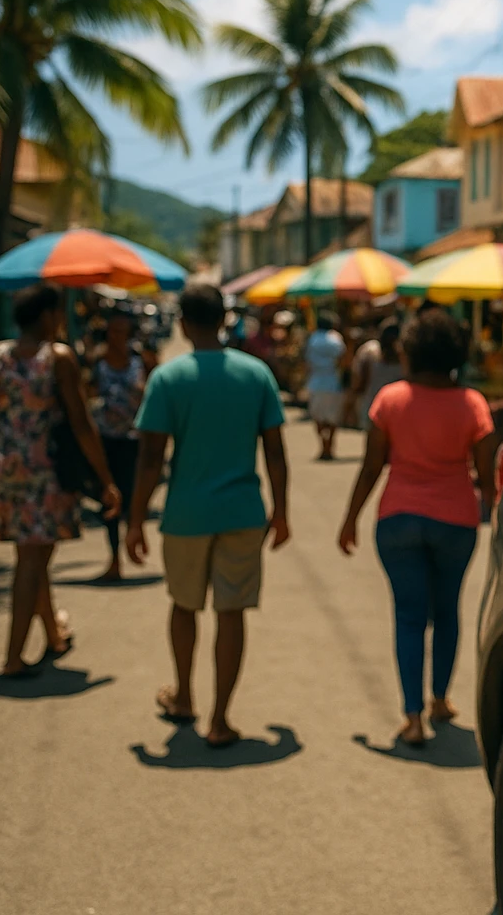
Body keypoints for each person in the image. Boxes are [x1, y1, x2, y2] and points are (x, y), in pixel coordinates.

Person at [126, 284, 290, 747]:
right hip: (243, 512)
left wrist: (135, 521)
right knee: (231, 611)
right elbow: (275, 452)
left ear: (182, 324)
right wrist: (282, 512)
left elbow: (150, 458)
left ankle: (183, 697)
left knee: (184, 605)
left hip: (186, 514)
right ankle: (220, 719)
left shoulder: (168, 379)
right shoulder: (256, 374)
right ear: (223, 321)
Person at [336, 309, 497, 746]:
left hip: (398, 519)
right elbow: (486, 476)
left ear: (410, 352)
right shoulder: (473, 403)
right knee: (446, 612)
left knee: (408, 616)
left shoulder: (390, 399)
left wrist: (350, 519)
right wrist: (499, 516)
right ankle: (439, 700)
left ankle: (411, 717)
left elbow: (372, 467)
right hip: (456, 522)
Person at [0, 284, 120, 677]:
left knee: (35, 555)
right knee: (32, 560)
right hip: (45, 471)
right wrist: (105, 478)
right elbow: (81, 423)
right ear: (48, 315)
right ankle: (13, 657)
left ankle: (53, 635)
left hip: (6, 469)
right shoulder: (58, 358)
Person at [89, 308, 146, 582]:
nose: (117, 337)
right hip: (105, 440)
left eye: (122, 332)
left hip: (133, 439)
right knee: (109, 498)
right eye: (113, 331)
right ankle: (114, 557)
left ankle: (133, 539)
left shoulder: (140, 362)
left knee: (132, 494)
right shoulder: (97, 364)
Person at [304, 309, 346, 460]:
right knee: (333, 417)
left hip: (316, 382)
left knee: (318, 417)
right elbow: (342, 359)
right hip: (333, 382)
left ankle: (323, 444)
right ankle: (330, 445)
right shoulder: (336, 339)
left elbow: (307, 361)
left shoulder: (312, 339)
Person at [349, 319, 404, 431]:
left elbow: (357, 379)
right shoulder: (404, 355)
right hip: (398, 407)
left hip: (371, 404)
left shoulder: (369, 350)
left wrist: (353, 400)